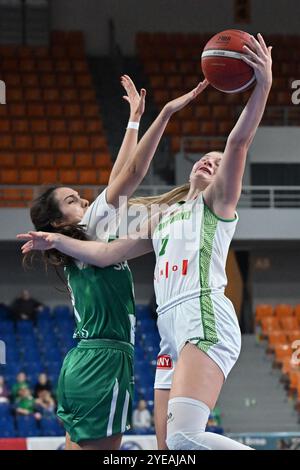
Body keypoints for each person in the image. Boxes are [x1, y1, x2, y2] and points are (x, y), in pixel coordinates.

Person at [18, 34, 271, 450]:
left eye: (218, 162)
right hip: (165, 328)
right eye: (73, 200)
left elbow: (234, 143)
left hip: (198, 309)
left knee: (184, 440)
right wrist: (58, 241)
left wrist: (261, 86)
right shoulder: (153, 221)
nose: (211, 160)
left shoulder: (213, 205)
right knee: (169, 450)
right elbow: (119, 198)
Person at [17, 75, 208, 450]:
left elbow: (119, 178)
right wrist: (165, 112)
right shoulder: (82, 233)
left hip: (90, 359)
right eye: (73, 200)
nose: (84, 201)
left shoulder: (87, 240)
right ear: (58, 222)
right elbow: (130, 175)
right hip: (102, 360)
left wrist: (135, 118)